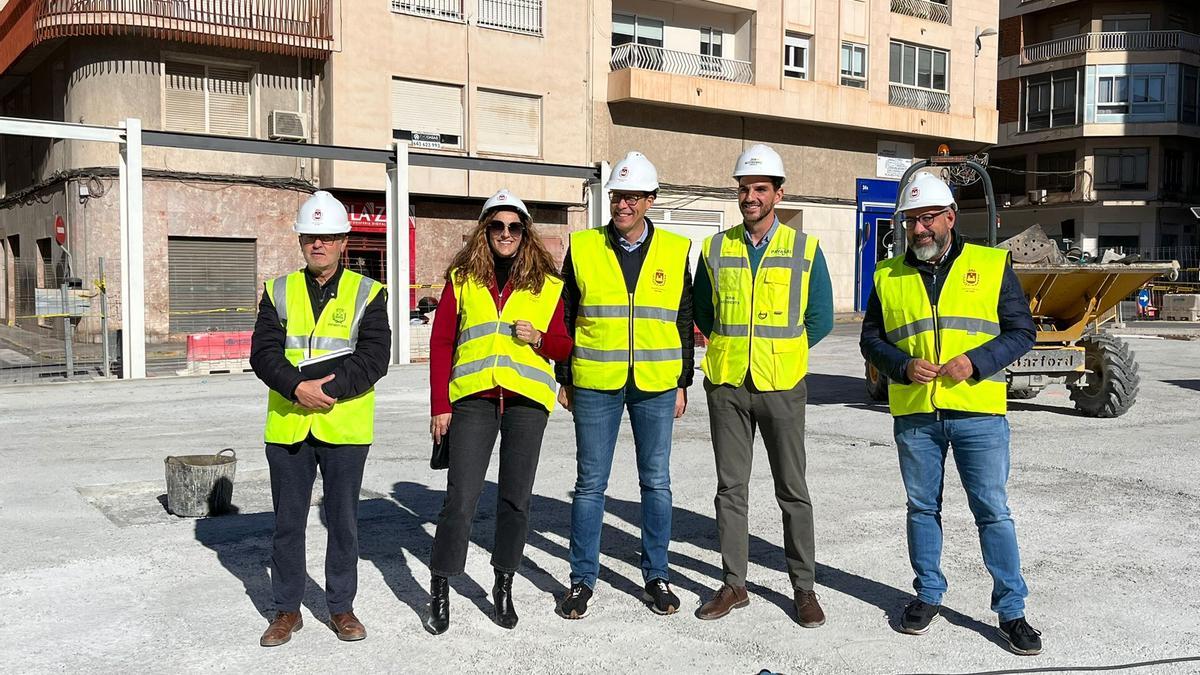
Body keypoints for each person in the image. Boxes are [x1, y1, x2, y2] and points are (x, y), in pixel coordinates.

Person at [859, 172, 1042, 655]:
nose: (919, 229)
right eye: (911, 220)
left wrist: (976, 363)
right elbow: (870, 340)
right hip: (916, 414)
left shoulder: (991, 263)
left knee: (992, 512)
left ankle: (1012, 610)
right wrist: (901, 365)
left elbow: (1022, 331)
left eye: (927, 219)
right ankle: (928, 596)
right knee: (922, 509)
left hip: (977, 413)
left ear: (949, 218)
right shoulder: (887, 275)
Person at [693, 144, 834, 628]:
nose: (749, 196)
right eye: (743, 189)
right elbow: (706, 314)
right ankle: (735, 584)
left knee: (792, 490)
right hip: (728, 382)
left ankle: (804, 588)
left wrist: (785, 354)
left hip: (782, 385)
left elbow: (820, 318)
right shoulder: (715, 248)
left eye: (759, 189)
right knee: (730, 489)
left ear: (779, 193)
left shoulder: (805, 249)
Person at [424, 189, 572, 634]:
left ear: (525, 233)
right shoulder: (463, 278)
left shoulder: (548, 285)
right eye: (497, 226)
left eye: (514, 227)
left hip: (527, 405)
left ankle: (502, 585)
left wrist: (539, 339)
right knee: (460, 500)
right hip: (473, 401)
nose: (505, 234)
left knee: (516, 501)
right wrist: (440, 405)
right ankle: (441, 588)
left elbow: (565, 345)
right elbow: (442, 343)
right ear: (484, 230)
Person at [249, 190, 391, 647]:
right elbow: (263, 354)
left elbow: (374, 358)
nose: (318, 244)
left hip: (343, 425)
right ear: (300, 240)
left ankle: (341, 607)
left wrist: (322, 391)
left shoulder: (369, 293)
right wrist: (296, 388)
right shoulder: (278, 290)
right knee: (287, 523)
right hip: (289, 424)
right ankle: (287, 609)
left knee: (343, 520)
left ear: (343, 241)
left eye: (327, 237)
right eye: (311, 236)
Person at [556, 151, 694, 619]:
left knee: (656, 483)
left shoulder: (676, 251)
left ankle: (657, 575)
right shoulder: (583, 247)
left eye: (633, 197)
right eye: (618, 196)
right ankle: (581, 580)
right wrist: (564, 376)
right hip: (595, 381)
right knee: (590, 484)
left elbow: (683, 317)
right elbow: (566, 316)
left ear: (651, 201)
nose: (624, 205)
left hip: (656, 382)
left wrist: (682, 381)